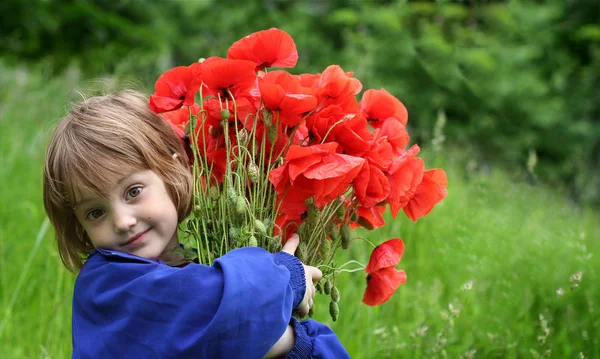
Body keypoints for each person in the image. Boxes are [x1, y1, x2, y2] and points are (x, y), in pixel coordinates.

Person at [43, 90, 351, 359]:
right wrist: (289, 277)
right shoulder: (110, 283)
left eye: (133, 192)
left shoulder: (187, 268)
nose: (123, 221)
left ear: (172, 170)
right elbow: (226, 308)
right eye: (95, 213)